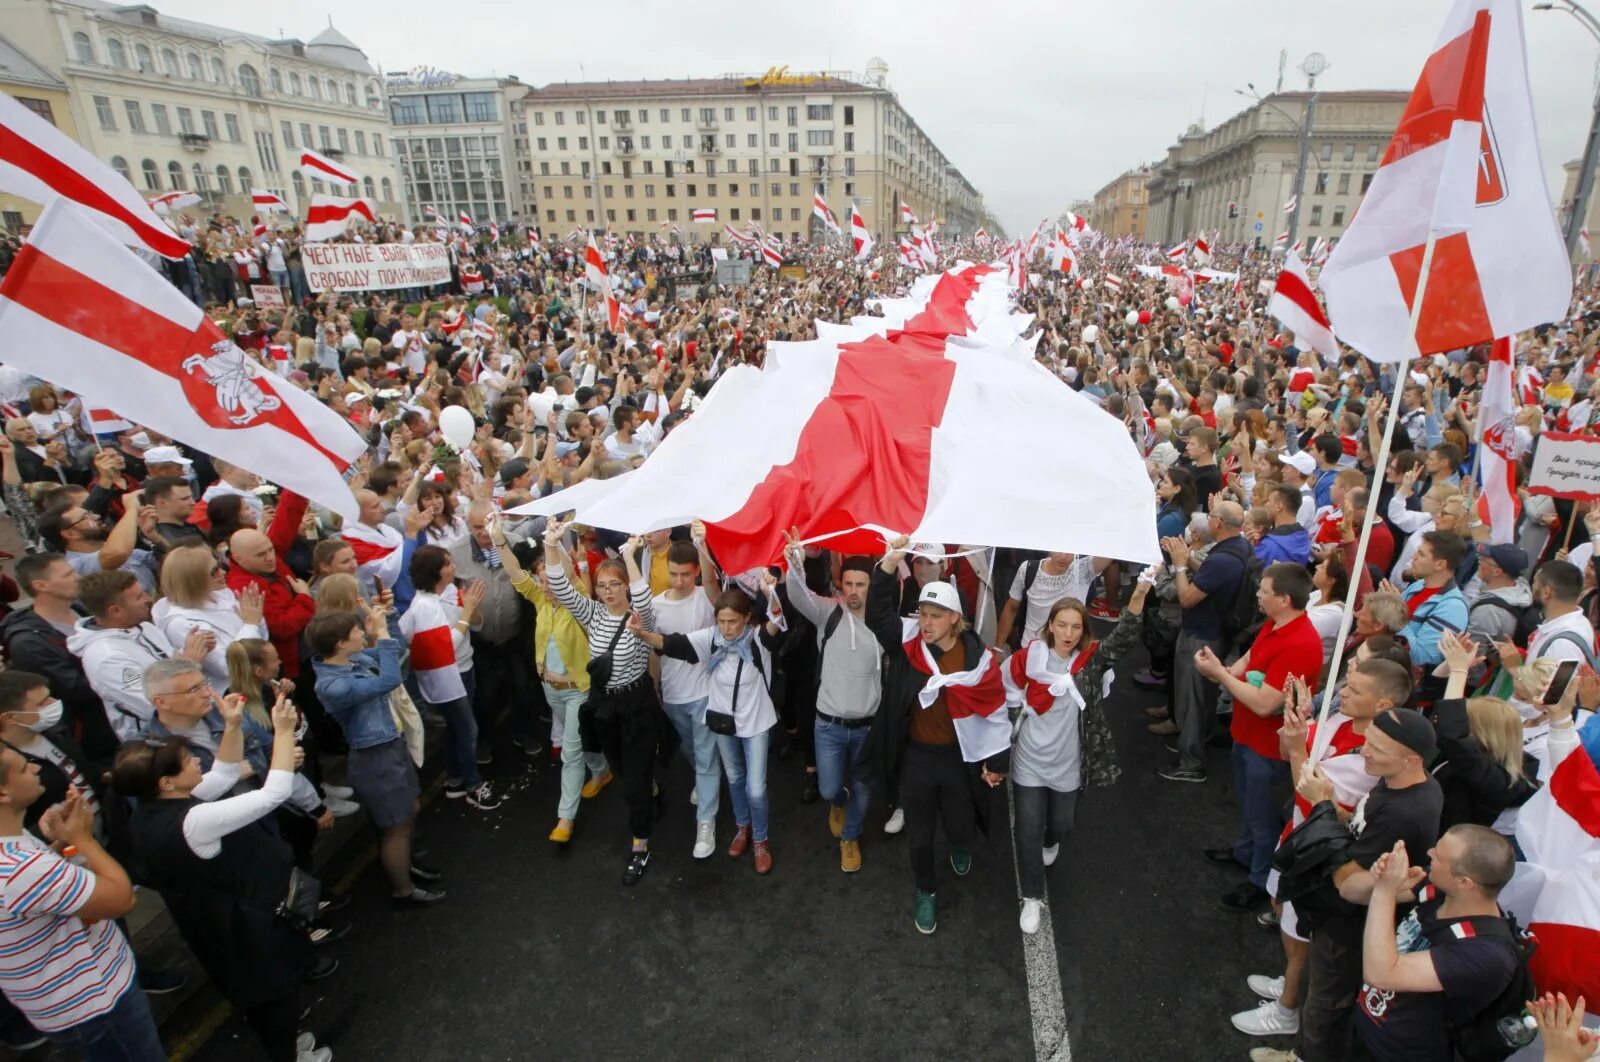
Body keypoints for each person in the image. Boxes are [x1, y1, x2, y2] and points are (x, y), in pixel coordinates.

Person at [112, 679, 335, 1062]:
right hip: (245, 931)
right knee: (275, 999)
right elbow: (273, 793)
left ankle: (287, 1044)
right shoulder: (192, 820)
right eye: (187, 761)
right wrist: (283, 732)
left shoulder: (157, 808)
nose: (198, 760)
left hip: (222, 925)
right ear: (166, 782)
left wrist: (231, 725)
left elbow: (225, 772)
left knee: (266, 1000)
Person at [1230, 658, 1410, 1039]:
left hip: (1318, 854)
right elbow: (1288, 752)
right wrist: (1294, 726)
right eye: (1347, 684)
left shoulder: (1373, 757)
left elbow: (1310, 791)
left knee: (1299, 934)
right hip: (1297, 836)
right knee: (1283, 913)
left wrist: (1297, 749)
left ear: (1383, 706)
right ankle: (1290, 981)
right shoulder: (1340, 722)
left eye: (1355, 689)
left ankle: (1287, 1009)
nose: (1342, 691)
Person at [864, 534, 1010, 935]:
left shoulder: (977, 658)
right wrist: (888, 566)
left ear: (954, 619)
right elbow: (877, 615)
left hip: (959, 758)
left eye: (934, 615)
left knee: (960, 824)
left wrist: (996, 762)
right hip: (917, 759)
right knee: (921, 835)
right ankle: (926, 890)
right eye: (922, 613)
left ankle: (961, 843)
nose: (925, 622)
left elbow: (994, 708)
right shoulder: (908, 643)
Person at [1288, 708, 1445, 1062]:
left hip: (1348, 926)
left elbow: (1347, 882)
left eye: (1377, 748)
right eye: (1367, 742)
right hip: (1343, 920)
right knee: (1323, 998)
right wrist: (1332, 804)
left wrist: (1322, 806)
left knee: (1326, 1006)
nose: (1364, 752)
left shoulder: (1403, 812)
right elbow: (1358, 826)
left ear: (1411, 758)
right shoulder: (1402, 781)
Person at [0, 740, 163, 1061]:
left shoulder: (14, 847)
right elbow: (120, 899)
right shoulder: (20, 869)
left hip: (67, 1003)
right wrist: (83, 840)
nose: (35, 767)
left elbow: (33, 894)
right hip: (96, 1004)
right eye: (22, 767)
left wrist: (58, 844)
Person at [1002, 580, 1144, 935]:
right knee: (1027, 829)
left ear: (1084, 630)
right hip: (1029, 762)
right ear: (1050, 625)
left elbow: (1124, 636)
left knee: (1062, 823)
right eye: (1061, 624)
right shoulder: (1029, 657)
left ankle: (1053, 840)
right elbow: (1006, 691)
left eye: (1075, 626)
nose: (1067, 633)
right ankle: (1032, 897)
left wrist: (1140, 594)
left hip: (1069, 764)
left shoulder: (1091, 660)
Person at [542, 521, 669, 886]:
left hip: (637, 707)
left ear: (625, 587)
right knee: (627, 773)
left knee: (633, 787)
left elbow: (643, 595)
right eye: (602, 585)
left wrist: (630, 555)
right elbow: (564, 589)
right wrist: (552, 546)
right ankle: (652, 789)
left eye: (615, 585)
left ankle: (640, 845)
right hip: (606, 711)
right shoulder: (593, 614)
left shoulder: (638, 616)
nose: (609, 591)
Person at [631, 577, 786, 874]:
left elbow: (776, 620)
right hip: (723, 721)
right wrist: (643, 634)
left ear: (746, 619)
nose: (726, 628)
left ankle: (761, 841)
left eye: (733, 622)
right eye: (721, 621)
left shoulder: (758, 640)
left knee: (755, 788)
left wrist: (771, 592)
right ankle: (743, 828)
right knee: (735, 779)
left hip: (755, 723)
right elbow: (672, 643)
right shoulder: (711, 638)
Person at [1194, 562, 1324, 909]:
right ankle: (1245, 853)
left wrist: (1221, 675)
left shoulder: (1299, 643)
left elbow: (1265, 704)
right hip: (1247, 735)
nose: (1257, 595)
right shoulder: (1277, 624)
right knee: (1252, 807)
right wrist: (1224, 670)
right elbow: (1251, 658)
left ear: (1283, 599)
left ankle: (1259, 878)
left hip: (1266, 746)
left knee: (1264, 816)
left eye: (1263, 592)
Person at [489, 516, 610, 846]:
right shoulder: (540, 600)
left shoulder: (579, 601)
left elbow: (564, 574)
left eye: (550, 581)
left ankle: (565, 819)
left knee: (570, 753)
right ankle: (602, 771)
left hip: (577, 690)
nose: (544, 586)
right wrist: (499, 540)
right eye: (541, 581)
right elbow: (516, 573)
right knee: (579, 740)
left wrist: (552, 544)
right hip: (550, 689)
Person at [310, 608, 442, 909]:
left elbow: (394, 660)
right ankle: (403, 890)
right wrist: (380, 635)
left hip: (390, 748)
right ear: (341, 644)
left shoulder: (352, 660)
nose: (361, 633)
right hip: (376, 758)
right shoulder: (333, 684)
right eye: (355, 632)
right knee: (396, 827)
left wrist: (387, 625)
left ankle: (405, 865)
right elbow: (389, 681)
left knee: (408, 812)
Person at [1354, 828, 1521, 1062]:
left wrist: (1385, 891)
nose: (1429, 852)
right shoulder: (1440, 891)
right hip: (1368, 1030)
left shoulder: (1487, 954)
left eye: (1439, 855)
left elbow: (1380, 974)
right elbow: (1350, 892)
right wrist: (1379, 877)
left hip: (1403, 1055)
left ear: (1464, 882)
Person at [783, 534, 884, 874]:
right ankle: (838, 803)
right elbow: (797, 594)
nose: (854, 591)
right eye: (848, 584)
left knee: (864, 789)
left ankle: (850, 838)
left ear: (873, 586)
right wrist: (795, 562)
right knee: (829, 788)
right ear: (840, 585)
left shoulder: (885, 624)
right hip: (828, 725)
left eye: (861, 584)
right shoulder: (828, 613)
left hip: (868, 727)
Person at [1157, 500, 1251, 783]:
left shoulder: (1222, 559)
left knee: (1193, 699)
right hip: (1216, 633)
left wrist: (1179, 566)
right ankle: (1194, 741)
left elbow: (1186, 598)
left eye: (1210, 516)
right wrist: (1189, 558)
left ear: (1218, 523)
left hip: (1201, 637)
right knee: (1201, 699)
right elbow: (1211, 575)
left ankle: (1191, 761)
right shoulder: (1239, 548)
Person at [645, 525, 724, 860]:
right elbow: (653, 651)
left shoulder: (705, 598)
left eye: (685, 575)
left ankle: (706, 822)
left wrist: (702, 544)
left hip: (705, 691)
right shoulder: (655, 605)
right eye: (674, 574)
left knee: (704, 758)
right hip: (674, 695)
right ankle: (709, 780)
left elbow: (711, 582)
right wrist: (655, 686)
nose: (679, 581)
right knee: (691, 750)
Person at [399, 545, 498, 810]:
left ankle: (455, 780)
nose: (454, 566)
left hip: (465, 668)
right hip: (449, 678)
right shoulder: (424, 607)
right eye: (447, 563)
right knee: (468, 730)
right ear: (435, 572)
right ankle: (473, 786)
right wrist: (467, 613)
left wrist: (471, 610)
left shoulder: (451, 591)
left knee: (457, 729)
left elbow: (472, 623)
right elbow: (446, 647)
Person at [0, 553, 122, 761]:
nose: (77, 577)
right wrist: (131, 676)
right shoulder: (29, 643)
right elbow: (76, 687)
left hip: (120, 714)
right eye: (67, 574)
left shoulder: (79, 609)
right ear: (41, 585)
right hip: (98, 737)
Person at [447, 502, 544, 762]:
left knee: (523, 688)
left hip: (515, 636)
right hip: (481, 640)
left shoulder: (515, 543)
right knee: (485, 695)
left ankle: (524, 733)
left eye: (488, 525)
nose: (483, 532)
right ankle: (485, 740)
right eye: (477, 527)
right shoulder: (455, 553)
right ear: (468, 525)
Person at [226, 490, 316, 683]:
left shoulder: (269, 560)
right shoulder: (246, 587)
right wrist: (304, 598)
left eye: (270, 550)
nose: (269, 558)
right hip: (291, 666)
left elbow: (286, 520)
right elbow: (283, 627)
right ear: (238, 559)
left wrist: (298, 486)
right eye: (261, 554)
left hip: (306, 649)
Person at [153, 545, 267, 688]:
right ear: (194, 579)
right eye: (214, 571)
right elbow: (227, 668)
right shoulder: (180, 623)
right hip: (234, 695)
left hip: (259, 679)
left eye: (219, 565)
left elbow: (262, 638)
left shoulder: (221, 595)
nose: (223, 572)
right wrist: (251, 624)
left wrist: (255, 621)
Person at [993, 551, 1111, 649]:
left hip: (1070, 654)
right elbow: (1011, 607)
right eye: (1059, 549)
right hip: (1031, 652)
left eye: (1069, 551)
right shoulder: (1028, 569)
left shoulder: (1083, 569)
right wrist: (998, 647)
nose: (1063, 556)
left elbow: (1111, 550)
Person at [1393, 530, 1470, 673]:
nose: (1413, 557)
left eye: (1421, 554)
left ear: (1440, 564)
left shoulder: (1453, 608)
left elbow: (1422, 658)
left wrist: (1395, 610)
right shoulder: (1419, 585)